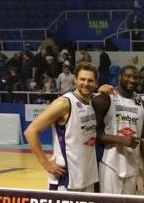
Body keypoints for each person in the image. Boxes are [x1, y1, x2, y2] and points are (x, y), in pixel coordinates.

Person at [23, 63, 99, 192]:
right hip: (66, 178)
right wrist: (47, 164)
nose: (86, 83)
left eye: (90, 80)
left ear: (96, 82)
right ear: (75, 80)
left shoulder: (90, 101)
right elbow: (30, 131)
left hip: (86, 176)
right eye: (82, 79)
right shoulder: (64, 103)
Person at [93, 65, 144, 195]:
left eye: (135, 77)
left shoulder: (143, 105)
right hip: (110, 164)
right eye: (128, 76)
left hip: (133, 165)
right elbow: (93, 135)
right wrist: (120, 140)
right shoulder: (105, 98)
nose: (132, 80)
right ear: (120, 77)